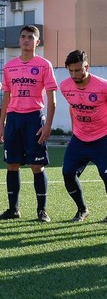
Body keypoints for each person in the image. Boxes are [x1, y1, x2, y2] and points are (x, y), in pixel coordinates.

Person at [0, 25, 57, 223]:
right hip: (14, 119)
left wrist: (48, 125)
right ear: (19, 40)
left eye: (30, 37)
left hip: (34, 118)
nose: (26, 40)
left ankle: (42, 211)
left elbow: (52, 98)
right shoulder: (9, 67)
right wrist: (2, 123)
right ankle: (13, 209)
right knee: (12, 164)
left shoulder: (44, 65)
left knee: (37, 165)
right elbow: (6, 96)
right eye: (23, 37)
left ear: (37, 42)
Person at [60, 50, 107, 223]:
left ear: (87, 66)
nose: (74, 74)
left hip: (103, 137)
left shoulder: (104, 86)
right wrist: (74, 128)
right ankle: (82, 209)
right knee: (67, 173)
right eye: (70, 71)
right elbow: (73, 106)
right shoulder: (65, 86)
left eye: (78, 70)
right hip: (79, 138)